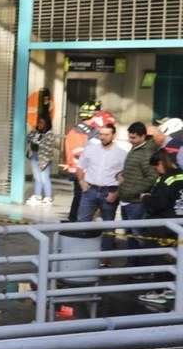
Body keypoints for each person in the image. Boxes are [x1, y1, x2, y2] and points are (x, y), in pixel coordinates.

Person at [138, 150, 183, 304]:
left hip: (163, 225)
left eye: (155, 168)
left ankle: (159, 292)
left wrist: (146, 198)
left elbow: (157, 204)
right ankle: (170, 289)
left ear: (160, 163)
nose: (156, 172)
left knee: (160, 259)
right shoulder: (181, 175)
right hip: (179, 224)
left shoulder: (166, 180)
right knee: (174, 259)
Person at [76, 124, 127, 261]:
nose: (102, 137)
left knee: (109, 226)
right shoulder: (91, 149)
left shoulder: (121, 154)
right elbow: (80, 166)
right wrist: (81, 181)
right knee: (81, 222)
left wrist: (116, 193)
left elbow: (125, 176)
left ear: (114, 135)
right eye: (101, 134)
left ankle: (104, 257)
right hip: (89, 190)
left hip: (109, 192)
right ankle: (80, 254)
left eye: (106, 134)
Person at [62, 104, 116, 222]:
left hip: (88, 172)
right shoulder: (78, 131)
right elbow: (79, 154)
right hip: (81, 172)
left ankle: (79, 222)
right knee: (80, 198)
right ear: (93, 116)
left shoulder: (91, 132)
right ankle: (75, 223)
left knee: (84, 199)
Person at [119, 122, 158, 268]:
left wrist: (135, 190)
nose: (130, 140)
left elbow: (152, 177)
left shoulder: (146, 153)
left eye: (133, 137)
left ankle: (145, 265)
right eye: (129, 137)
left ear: (143, 136)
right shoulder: (136, 148)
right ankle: (132, 263)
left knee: (138, 235)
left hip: (136, 201)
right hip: (128, 199)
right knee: (130, 234)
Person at [25, 117, 59, 205]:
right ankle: (37, 195)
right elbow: (28, 139)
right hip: (34, 155)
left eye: (41, 122)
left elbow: (47, 150)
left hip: (44, 157)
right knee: (37, 177)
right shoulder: (36, 133)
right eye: (38, 122)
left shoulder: (49, 134)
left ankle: (48, 197)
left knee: (44, 178)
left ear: (46, 124)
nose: (39, 124)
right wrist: (33, 130)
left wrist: (44, 162)